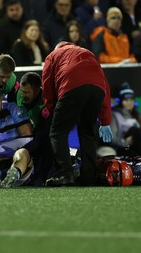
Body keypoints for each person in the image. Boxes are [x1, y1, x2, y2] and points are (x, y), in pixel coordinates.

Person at [42, 41, 113, 186]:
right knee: (87, 132)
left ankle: (65, 174)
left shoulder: (53, 55)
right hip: (97, 90)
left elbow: (47, 88)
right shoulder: (88, 53)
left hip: (71, 86)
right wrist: (105, 121)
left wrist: (52, 112)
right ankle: (89, 176)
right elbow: (105, 88)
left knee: (57, 132)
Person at [16, 72, 54, 186]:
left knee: (45, 142)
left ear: (37, 90)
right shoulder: (18, 94)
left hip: (41, 133)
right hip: (22, 132)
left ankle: (41, 177)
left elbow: (42, 132)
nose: (22, 95)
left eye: (27, 92)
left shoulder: (46, 103)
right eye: (22, 91)